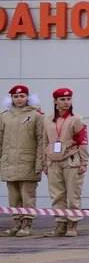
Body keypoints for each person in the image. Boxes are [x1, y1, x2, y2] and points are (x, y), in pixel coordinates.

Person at [39, 88, 89, 238]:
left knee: (73, 194)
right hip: (53, 161)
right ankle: (60, 224)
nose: (66, 102)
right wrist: (44, 162)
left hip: (71, 160)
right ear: (55, 101)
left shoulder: (76, 119)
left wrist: (84, 162)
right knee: (57, 194)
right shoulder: (47, 119)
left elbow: (83, 142)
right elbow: (44, 141)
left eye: (68, 99)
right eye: (62, 99)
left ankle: (72, 225)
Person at [1, 85, 44, 238]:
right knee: (13, 196)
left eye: (22, 96)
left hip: (28, 162)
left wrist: (39, 163)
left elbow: (41, 140)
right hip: (9, 163)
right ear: (11, 98)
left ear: (28, 97)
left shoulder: (36, 115)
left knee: (27, 196)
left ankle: (27, 224)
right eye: (16, 96)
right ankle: (16, 224)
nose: (19, 99)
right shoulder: (4, 116)